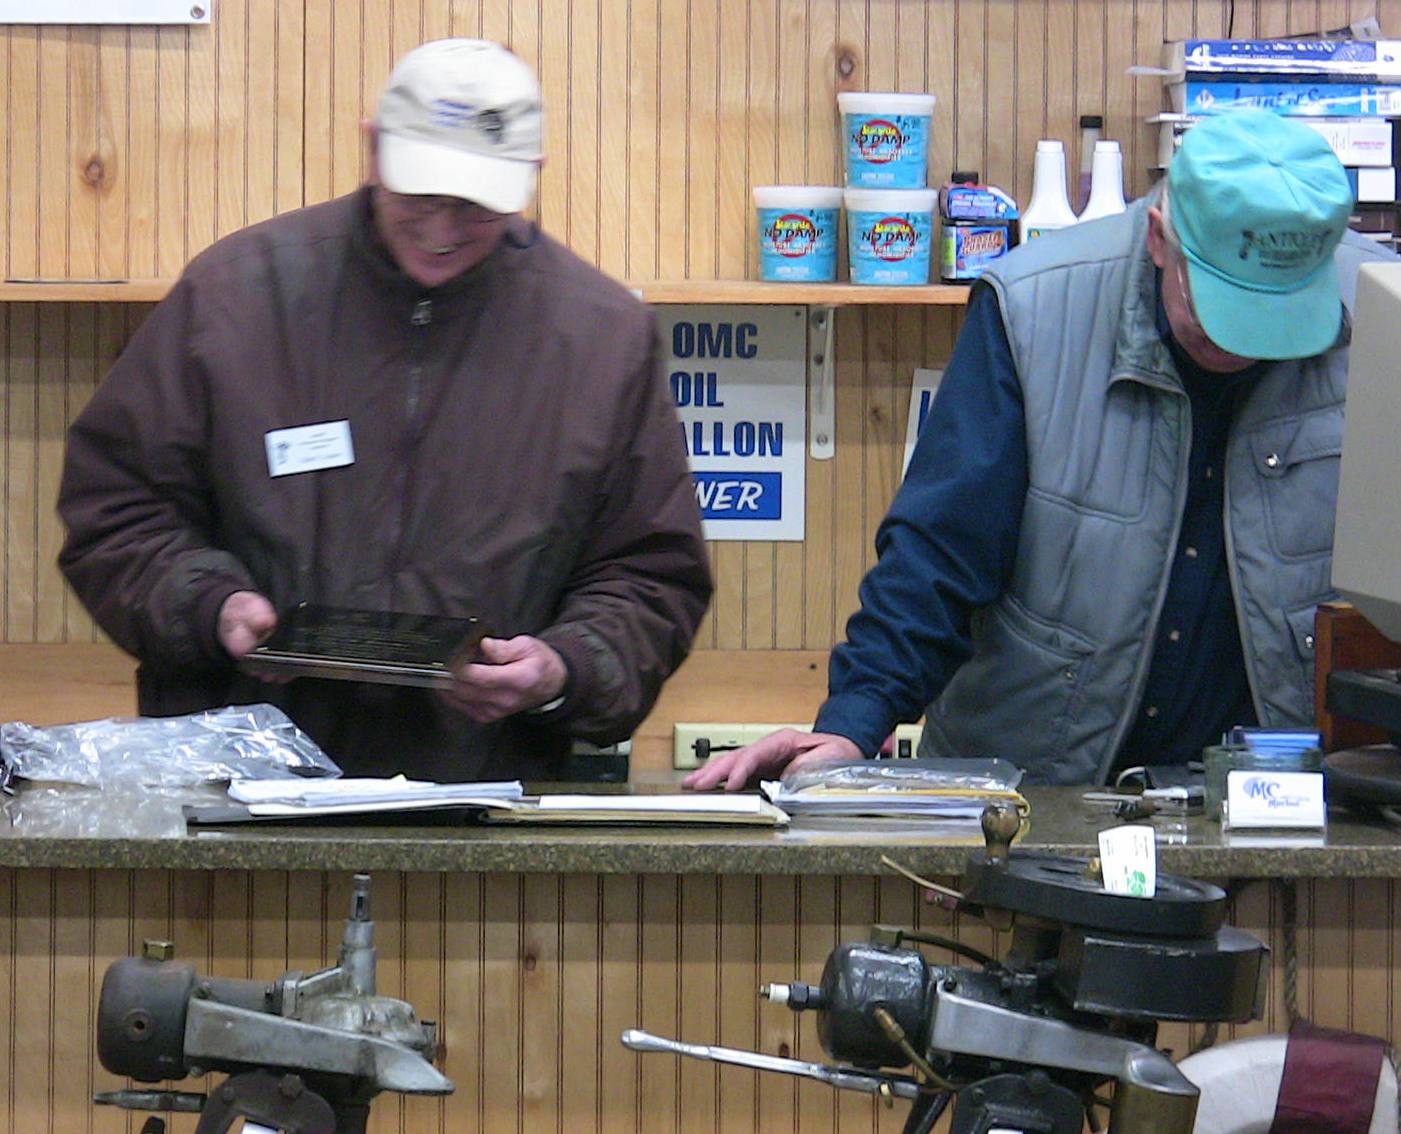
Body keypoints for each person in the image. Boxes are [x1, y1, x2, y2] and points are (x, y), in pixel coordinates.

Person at [57, 38, 712, 782]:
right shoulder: (234, 297)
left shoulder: (601, 338)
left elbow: (649, 574)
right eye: (420, 194)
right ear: (372, 149)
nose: (441, 230)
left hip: (484, 798)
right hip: (232, 789)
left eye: (474, 206)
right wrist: (212, 605)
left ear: (532, 176)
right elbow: (118, 506)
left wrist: (565, 667)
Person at [689, 109, 1394, 791]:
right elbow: (942, 549)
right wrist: (853, 721)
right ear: (1159, 239)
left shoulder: (1380, 312)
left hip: (1285, 794)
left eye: (1279, 317)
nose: (1246, 345)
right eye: (1224, 311)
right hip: (1039, 785)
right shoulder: (1032, 309)